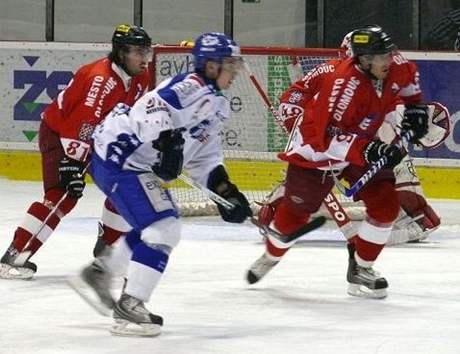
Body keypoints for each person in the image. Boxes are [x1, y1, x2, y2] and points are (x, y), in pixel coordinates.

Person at [69, 32, 252, 337]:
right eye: (230, 64)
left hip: (128, 163)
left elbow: (204, 158)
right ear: (210, 66)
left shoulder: (218, 105)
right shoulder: (190, 86)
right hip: (120, 157)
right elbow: (150, 107)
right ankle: (131, 305)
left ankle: (101, 273)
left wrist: (224, 190)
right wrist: (167, 140)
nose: (235, 72)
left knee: (153, 225)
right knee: (164, 226)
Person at [246, 26, 430, 299]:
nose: (389, 60)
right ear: (364, 59)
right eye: (381, 56)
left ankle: (362, 268)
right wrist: (370, 150)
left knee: (385, 206)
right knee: (293, 218)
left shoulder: (392, 63)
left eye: (389, 53)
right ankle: (271, 254)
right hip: (317, 149)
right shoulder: (342, 85)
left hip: (359, 141)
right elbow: (325, 138)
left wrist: (415, 106)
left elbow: (409, 77)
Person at [258, 25, 449, 246]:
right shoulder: (331, 72)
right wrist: (302, 127)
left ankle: (414, 212)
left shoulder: (384, 81)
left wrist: (414, 123)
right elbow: (291, 100)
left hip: (360, 148)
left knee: (389, 147)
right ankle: (276, 214)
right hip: (331, 145)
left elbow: (396, 111)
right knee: (281, 208)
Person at [0, 24, 152, 279]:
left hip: (100, 138)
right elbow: (80, 126)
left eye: (146, 52)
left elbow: (136, 117)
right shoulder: (99, 80)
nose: (145, 59)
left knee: (124, 184)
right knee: (63, 195)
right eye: (139, 52)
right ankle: (14, 256)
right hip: (60, 135)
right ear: (121, 52)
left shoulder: (141, 77)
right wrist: (72, 165)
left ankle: (108, 249)